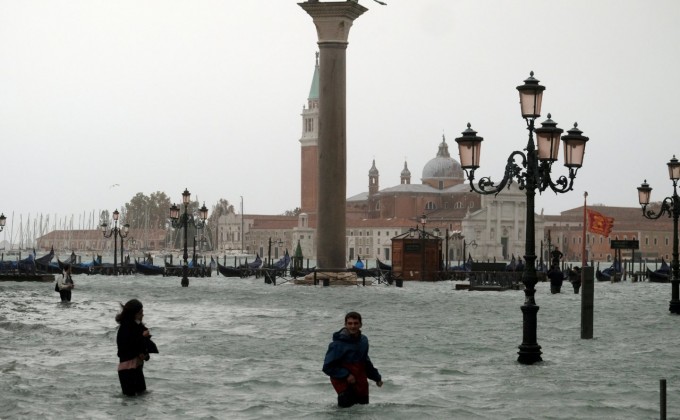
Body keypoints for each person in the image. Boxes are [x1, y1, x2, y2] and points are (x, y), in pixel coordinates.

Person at [323, 311, 383, 408]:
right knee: (346, 415)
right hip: (345, 386)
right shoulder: (337, 344)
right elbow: (327, 367)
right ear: (345, 325)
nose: (353, 326)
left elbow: (365, 362)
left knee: (362, 414)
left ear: (360, 324)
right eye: (350, 323)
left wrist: (377, 377)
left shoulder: (363, 341)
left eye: (355, 323)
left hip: (361, 385)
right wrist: (346, 375)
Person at [115, 299, 158, 396]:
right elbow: (125, 349)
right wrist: (142, 337)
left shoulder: (138, 326)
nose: (143, 315)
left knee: (142, 396)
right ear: (133, 314)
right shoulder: (124, 328)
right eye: (140, 313)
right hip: (127, 369)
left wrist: (145, 355)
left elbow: (142, 346)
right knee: (130, 400)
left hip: (137, 367)